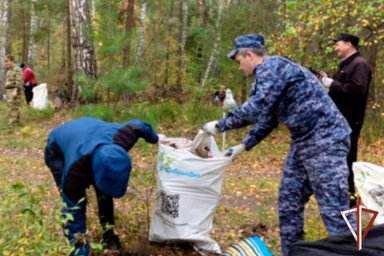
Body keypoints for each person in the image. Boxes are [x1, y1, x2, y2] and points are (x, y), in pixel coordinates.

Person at [203, 34, 354, 256]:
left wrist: (220, 125)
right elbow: (269, 116)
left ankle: (358, 252)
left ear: (250, 55)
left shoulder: (272, 68)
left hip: (326, 140)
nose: (239, 68)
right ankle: (292, 253)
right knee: (289, 202)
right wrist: (244, 145)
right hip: (303, 141)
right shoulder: (267, 76)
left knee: (335, 210)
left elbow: (255, 108)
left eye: (239, 62)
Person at [44, 117, 159, 256]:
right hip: (57, 149)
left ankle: (109, 235)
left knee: (104, 195)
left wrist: (156, 139)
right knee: (74, 202)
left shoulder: (123, 137)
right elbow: (72, 214)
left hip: (90, 131)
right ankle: (78, 248)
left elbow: (140, 125)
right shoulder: (74, 171)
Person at [319, 32, 372, 207]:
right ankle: (342, 198)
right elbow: (342, 90)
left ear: (349, 44)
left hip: (350, 121)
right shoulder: (347, 65)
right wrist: (328, 82)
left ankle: (350, 202)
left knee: (347, 160)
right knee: (339, 160)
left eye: (338, 44)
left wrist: (331, 83)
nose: (336, 48)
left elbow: (357, 89)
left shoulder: (359, 64)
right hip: (340, 121)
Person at [3, 55, 23, 128]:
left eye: (7, 61)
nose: (6, 63)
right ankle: (16, 122)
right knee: (11, 106)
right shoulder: (9, 70)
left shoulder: (17, 69)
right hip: (9, 91)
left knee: (13, 107)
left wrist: (16, 91)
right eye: (5, 62)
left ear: (12, 61)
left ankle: (12, 124)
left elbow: (19, 81)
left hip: (14, 90)